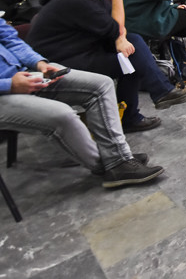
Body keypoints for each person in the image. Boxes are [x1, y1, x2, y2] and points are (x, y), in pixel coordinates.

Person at [27, 0, 186, 133]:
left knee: (131, 49)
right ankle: (153, 98)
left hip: (82, 50)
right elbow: (115, 27)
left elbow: (117, 28)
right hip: (57, 64)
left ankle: (141, 108)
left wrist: (121, 38)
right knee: (132, 56)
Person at [0, 18, 164, 188]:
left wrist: (39, 63)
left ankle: (117, 157)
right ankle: (112, 164)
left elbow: (11, 41)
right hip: (4, 91)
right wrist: (9, 85)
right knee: (61, 115)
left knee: (101, 85)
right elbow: (111, 27)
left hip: (24, 73)